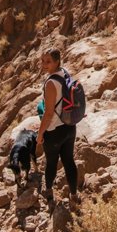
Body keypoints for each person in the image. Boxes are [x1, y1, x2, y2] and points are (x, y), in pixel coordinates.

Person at [36, 48, 79, 209]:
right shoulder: (65, 73)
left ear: (57, 62)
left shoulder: (50, 83)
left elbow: (48, 114)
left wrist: (40, 134)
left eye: (48, 61)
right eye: (42, 61)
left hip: (54, 131)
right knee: (69, 160)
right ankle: (74, 195)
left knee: (51, 163)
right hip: (69, 126)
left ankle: (48, 194)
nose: (44, 64)